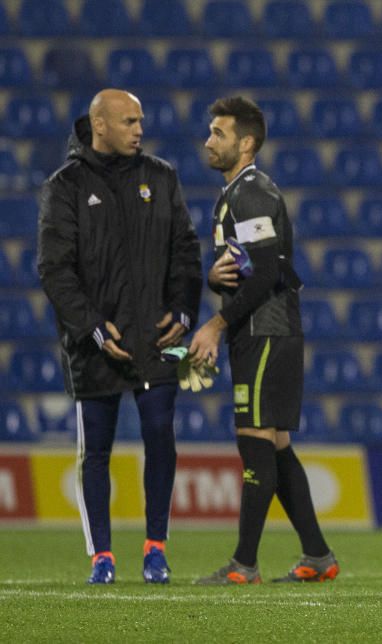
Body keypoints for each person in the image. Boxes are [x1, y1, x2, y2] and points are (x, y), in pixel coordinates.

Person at [37, 89, 203, 584]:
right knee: (97, 451)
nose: (139, 129)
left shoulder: (161, 176)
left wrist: (184, 311)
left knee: (160, 435)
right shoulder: (64, 187)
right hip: (95, 344)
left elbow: (186, 253)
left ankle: (156, 547)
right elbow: (54, 268)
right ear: (100, 125)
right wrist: (90, 325)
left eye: (141, 120)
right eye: (129, 121)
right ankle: (102, 556)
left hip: (159, 338)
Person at [188, 96, 339, 585]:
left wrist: (216, 323)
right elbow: (249, 269)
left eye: (219, 132)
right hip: (268, 329)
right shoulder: (236, 192)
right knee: (274, 445)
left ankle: (243, 565)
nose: (209, 140)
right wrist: (215, 279)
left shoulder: (251, 192)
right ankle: (318, 556)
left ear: (246, 143)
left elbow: (268, 271)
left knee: (255, 442)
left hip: (265, 331)